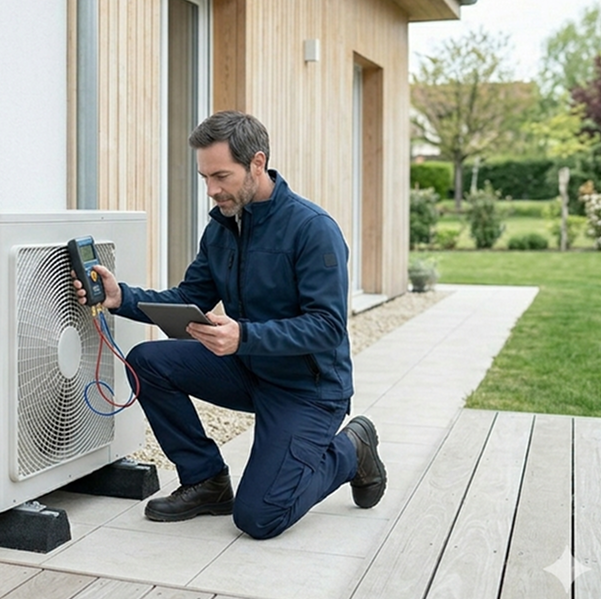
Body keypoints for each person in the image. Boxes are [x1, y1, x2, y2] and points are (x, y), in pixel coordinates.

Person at [72, 111, 386, 540]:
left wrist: (244, 336)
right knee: (147, 361)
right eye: (205, 177)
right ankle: (206, 481)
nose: (212, 190)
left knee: (259, 517)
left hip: (307, 389)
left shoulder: (313, 230)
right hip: (247, 369)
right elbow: (189, 298)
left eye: (221, 176)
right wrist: (119, 297)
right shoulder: (221, 228)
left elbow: (327, 326)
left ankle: (352, 448)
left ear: (257, 163)